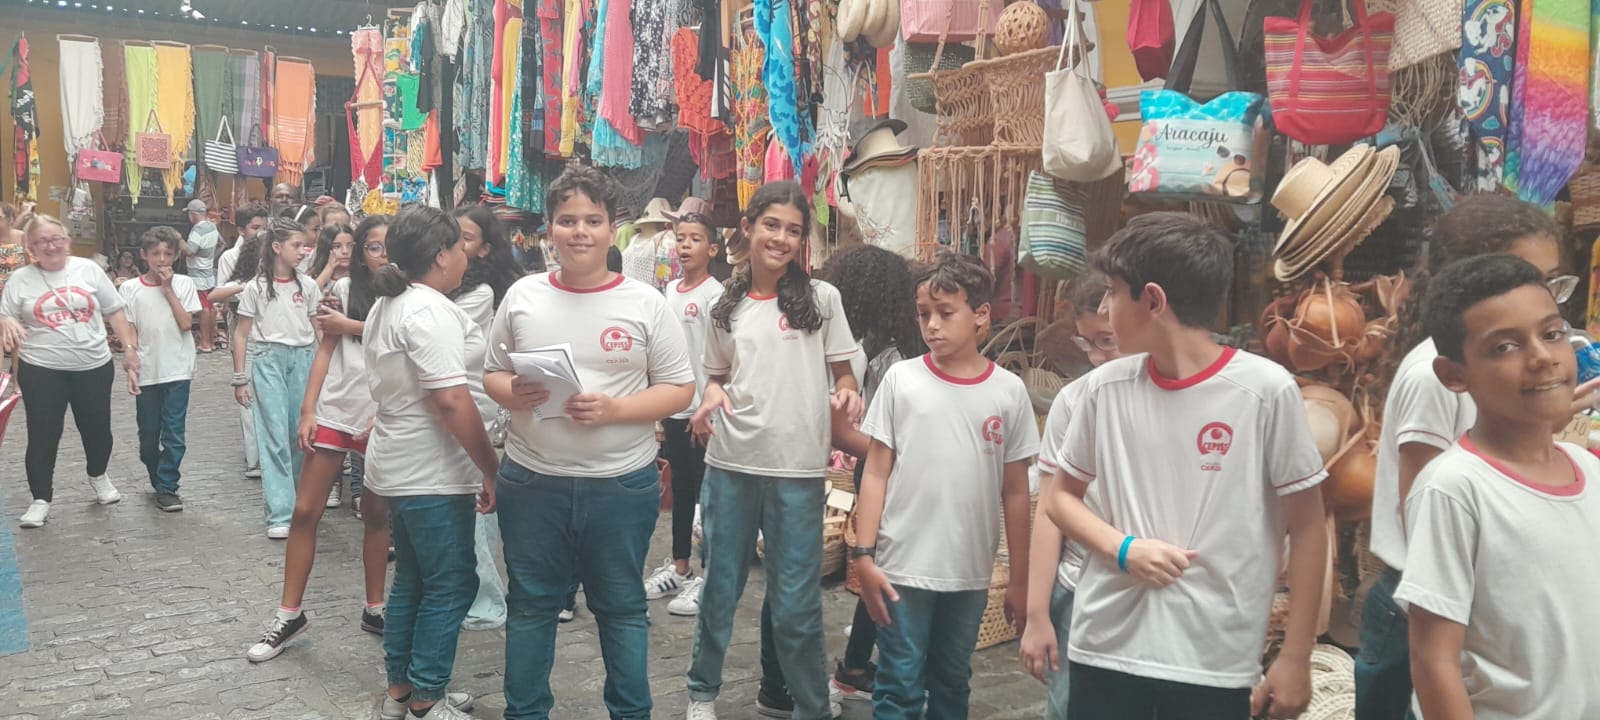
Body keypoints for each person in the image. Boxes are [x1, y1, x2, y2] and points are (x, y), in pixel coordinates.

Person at [1043, 212, 1327, 719]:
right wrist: (1123, 549)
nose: (1105, 309)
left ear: (1153, 301)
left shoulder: (1265, 392)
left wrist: (1296, 656)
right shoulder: (1103, 389)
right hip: (1105, 646)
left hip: (1213, 657)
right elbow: (1059, 497)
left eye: (1113, 293)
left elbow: (1308, 527)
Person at [483, 164, 695, 720]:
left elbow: (679, 388)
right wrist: (514, 391)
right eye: (568, 220)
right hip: (533, 481)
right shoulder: (523, 296)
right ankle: (524, 713)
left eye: (593, 220)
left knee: (621, 608)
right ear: (549, 227)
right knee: (530, 608)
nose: (580, 232)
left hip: (621, 485)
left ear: (611, 227)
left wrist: (616, 409)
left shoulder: (646, 303)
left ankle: (631, 712)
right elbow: (491, 374)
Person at [1358, 194, 1576, 720]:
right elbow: (1421, 512)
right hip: (1425, 603)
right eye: (1523, 274)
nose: (1538, 295)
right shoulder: (1432, 376)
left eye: (1551, 282)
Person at [686, 181, 861, 720]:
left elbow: (845, 372)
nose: (781, 238)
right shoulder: (724, 305)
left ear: (802, 239)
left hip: (798, 472)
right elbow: (716, 378)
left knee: (796, 602)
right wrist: (711, 396)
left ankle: (811, 706)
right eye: (771, 225)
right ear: (748, 227)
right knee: (720, 589)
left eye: (793, 230)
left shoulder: (822, 300)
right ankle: (701, 695)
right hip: (730, 466)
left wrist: (849, 392)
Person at [1399, 254, 1600, 719]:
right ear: (1454, 375)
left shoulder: (1587, 470)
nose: (1542, 357)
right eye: (1504, 347)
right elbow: (1433, 660)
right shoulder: (1455, 488)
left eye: (1552, 334)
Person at [850, 252, 1038, 719]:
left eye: (945, 312)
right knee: (898, 681)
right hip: (902, 565)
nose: (932, 325)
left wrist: (1020, 579)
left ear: (981, 314)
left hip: (969, 570)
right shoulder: (902, 379)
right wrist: (864, 555)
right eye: (924, 314)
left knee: (952, 680)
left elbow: (1016, 491)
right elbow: (876, 471)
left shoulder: (1008, 391)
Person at [244, 215, 397, 664]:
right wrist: (309, 409)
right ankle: (288, 614)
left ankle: (375, 608)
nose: (382, 254)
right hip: (337, 409)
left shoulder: (409, 297)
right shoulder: (346, 290)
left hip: (383, 415)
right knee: (305, 511)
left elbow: (401, 346)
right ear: (361, 253)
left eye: (389, 245)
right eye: (373, 246)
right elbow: (326, 349)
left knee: (376, 514)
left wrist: (351, 326)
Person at [365, 206, 498, 720]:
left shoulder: (392, 305)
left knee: (415, 580)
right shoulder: (428, 310)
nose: (466, 255)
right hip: (430, 469)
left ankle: (403, 689)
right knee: (452, 582)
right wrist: (489, 466)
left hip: (403, 463)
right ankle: (426, 697)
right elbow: (452, 400)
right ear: (442, 254)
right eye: (460, 246)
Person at [1020, 273, 1123, 718]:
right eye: (1087, 343)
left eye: (1107, 341)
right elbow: (1050, 511)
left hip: (1141, 590)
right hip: (1076, 587)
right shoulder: (1073, 400)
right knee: (1068, 706)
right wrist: (1037, 613)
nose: (1096, 357)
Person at [0, 215, 139, 528]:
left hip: (93, 365)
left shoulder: (88, 270)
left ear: (67, 241)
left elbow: (115, 311)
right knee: (43, 433)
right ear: (30, 247)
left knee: (97, 429)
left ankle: (98, 474)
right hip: (41, 368)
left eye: (56, 239)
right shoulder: (21, 279)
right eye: (41, 242)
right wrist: (5, 321)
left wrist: (130, 349)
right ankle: (40, 499)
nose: (50, 246)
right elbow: (5, 316)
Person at [643, 211, 724, 615]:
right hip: (675, 407)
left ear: (713, 249)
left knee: (708, 493)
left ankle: (711, 577)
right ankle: (680, 567)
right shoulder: (669, 291)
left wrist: (711, 405)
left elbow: (724, 357)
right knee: (681, 489)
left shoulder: (716, 295)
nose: (686, 245)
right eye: (681, 238)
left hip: (705, 413)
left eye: (695, 239)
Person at [449, 204, 523, 632]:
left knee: (478, 503)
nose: (457, 244)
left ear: (484, 249)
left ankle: (486, 597)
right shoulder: (448, 288)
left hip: (474, 405)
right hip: (453, 405)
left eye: (467, 238)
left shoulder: (479, 294)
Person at [231, 218, 321, 539]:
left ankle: (299, 505)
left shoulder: (308, 286)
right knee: (273, 435)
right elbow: (241, 334)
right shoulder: (255, 288)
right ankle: (280, 511)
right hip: (268, 359)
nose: (302, 251)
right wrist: (240, 378)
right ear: (277, 247)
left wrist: (327, 370)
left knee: (300, 434)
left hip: (304, 358)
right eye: (296, 245)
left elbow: (318, 330)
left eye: (304, 246)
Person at [119, 227, 201, 513]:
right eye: (156, 253)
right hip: (147, 368)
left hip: (178, 367)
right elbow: (129, 327)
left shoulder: (185, 284)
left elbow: (186, 323)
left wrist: (168, 290)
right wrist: (130, 358)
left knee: (174, 431)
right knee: (148, 435)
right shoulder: (130, 288)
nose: (162, 259)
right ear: (144, 255)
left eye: (168, 253)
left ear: (176, 256)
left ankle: (168, 486)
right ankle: (157, 474)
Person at [214, 203, 272, 480]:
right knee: (247, 394)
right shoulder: (231, 257)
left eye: (264, 227)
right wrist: (250, 288)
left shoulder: (274, 253)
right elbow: (221, 294)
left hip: (268, 332)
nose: (260, 232)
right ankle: (254, 457)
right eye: (255, 227)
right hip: (244, 328)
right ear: (241, 229)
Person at [184, 199, 222, 353]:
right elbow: (222, 244)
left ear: (192, 214)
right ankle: (211, 341)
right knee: (210, 306)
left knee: (204, 308)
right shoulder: (212, 227)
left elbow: (190, 251)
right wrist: (210, 258)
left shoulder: (197, 230)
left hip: (198, 274)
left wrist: (178, 242)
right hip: (208, 272)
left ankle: (205, 343)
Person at [307, 223, 356, 291]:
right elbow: (310, 294)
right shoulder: (312, 277)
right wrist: (329, 267)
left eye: (350, 246)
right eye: (337, 246)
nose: (345, 251)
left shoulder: (362, 276)